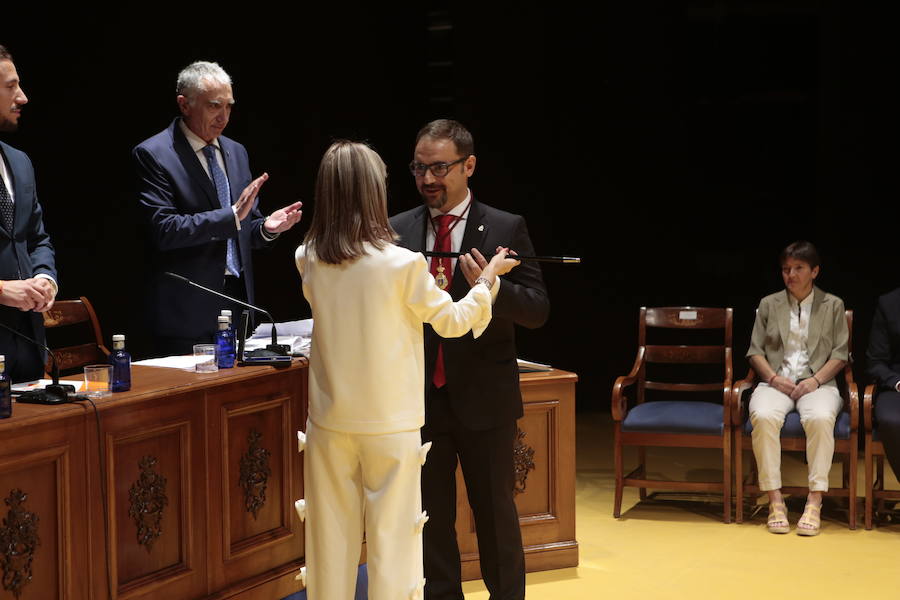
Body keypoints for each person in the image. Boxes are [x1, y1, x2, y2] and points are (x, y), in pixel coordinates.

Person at [295, 140, 518, 599]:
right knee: (393, 545)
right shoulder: (402, 263)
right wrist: (488, 281)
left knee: (328, 541)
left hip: (330, 421)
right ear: (371, 191)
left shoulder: (308, 257)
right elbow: (454, 322)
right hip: (389, 423)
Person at [391, 119, 549, 599]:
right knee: (431, 517)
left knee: (495, 515)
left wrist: (494, 287)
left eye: (440, 167)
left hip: (485, 399)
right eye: (420, 168)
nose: (428, 179)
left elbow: (538, 310)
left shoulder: (504, 227)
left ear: (469, 166)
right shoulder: (397, 229)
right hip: (421, 399)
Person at [133, 61, 302, 356]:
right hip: (187, 311)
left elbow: (242, 225)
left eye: (229, 106)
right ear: (184, 104)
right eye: (214, 106)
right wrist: (231, 216)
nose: (223, 117)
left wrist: (266, 229)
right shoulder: (154, 154)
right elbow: (164, 228)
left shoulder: (236, 152)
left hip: (238, 304)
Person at [746, 241, 848, 536]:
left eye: (798, 268)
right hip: (776, 381)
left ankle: (815, 500)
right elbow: (755, 351)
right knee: (763, 417)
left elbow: (840, 354)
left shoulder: (833, 305)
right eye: (786, 269)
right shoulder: (769, 304)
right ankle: (775, 499)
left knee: (819, 419)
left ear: (815, 271)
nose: (790, 274)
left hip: (817, 383)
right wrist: (774, 379)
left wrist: (814, 381)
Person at [0, 45, 58, 382]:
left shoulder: (20, 162)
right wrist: (3, 289)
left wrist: (45, 279)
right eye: (10, 87)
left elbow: (38, 239)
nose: (22, 98)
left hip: (28, 346)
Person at [866, 288, 900, 486]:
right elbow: (875, 361)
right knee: (892, 420)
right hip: (896, 384)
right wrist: (896, 382)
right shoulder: (889, 303)